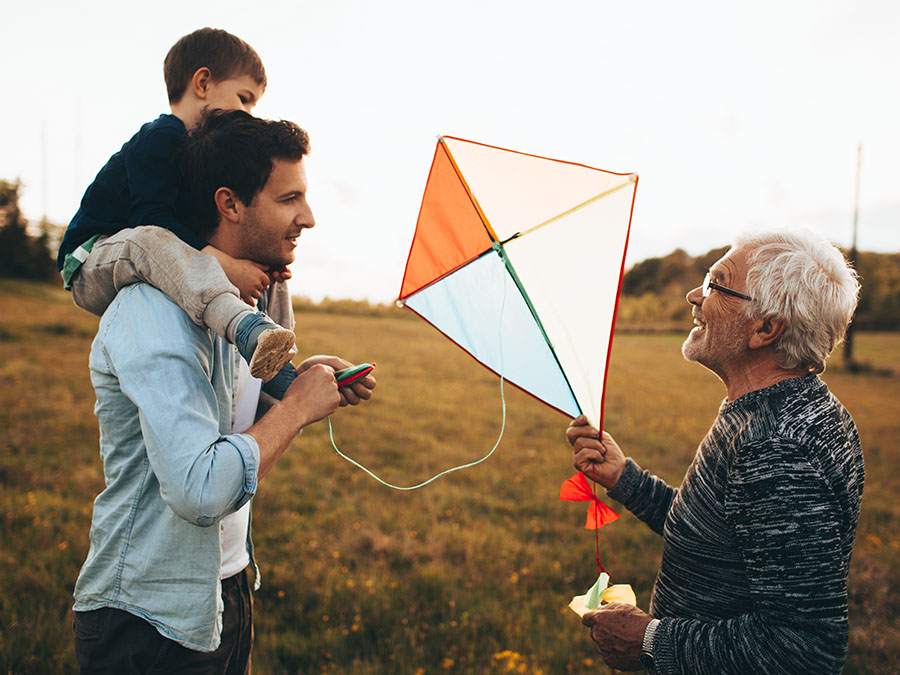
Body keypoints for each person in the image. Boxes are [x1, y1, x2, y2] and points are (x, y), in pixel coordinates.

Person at [71, 110, 376, 672]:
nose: (307, 217)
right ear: (229, 203)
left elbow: (235, 428)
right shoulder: (152, 310)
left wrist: (298, 380)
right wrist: (296, 412)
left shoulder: (243, 307)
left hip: (227, 588)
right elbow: (199, 488)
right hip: (148, 619)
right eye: (289, 199)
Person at [566, 230, 864, 674]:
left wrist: (649, 639)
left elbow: (804, 648)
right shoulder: (775, 409)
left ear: (765, 328)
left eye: (714, 283)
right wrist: (624, 477)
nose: (693, 296)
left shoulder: (776, 449)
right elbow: (716, 537)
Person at [57, 27, 299, 391]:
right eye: (244, 98)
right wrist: (221, 262)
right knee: (150, 240)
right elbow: (151, 219)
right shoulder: (160, 138)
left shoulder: (195, 154)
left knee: (264, 257)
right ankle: (243, 328)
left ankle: (278, 361)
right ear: (202, 83)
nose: (249, 113)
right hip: (92, 257)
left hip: (144, 249)